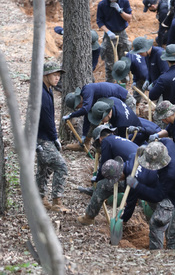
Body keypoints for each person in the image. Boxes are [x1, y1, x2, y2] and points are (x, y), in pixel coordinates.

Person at [63, 82, 136, 151]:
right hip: (115, 103)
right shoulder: (88, 98)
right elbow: (87, 117)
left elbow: (85, 110)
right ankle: (86, 143)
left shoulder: (87, 90)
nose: (79, 108)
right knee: (94, 117)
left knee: (125, 129)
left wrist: (71, 115)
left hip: (126, 100)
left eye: (78, 107)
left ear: (78, 102)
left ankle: (127, 149)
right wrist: (84, 136)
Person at [36, 61, 69, 212]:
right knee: (61, 166)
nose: (57, 78)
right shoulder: (41, 94)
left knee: (44, 168)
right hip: (41, 138)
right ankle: (57, 201)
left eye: (58, 75)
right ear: (45, 75)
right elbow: (46, 119)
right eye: (54, 75)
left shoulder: (47, 90)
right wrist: (55, 137)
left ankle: (39, 197)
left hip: (43, 137)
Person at [96, 0, 132, 82]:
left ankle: (123, 80)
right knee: (109, 61)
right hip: (109, 34)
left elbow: (129, 18)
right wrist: (108, 32)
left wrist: (119, 10)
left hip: (122, 33)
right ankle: (110, 82)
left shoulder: (124, 2)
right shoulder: (102, 4)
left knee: (124, 57)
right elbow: (99, 21)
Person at [77, 154, 126, 226]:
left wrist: (124, 218)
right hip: (131, 173)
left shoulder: (107, 144)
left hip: (134, 180)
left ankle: (88, 218)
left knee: (101, 185)